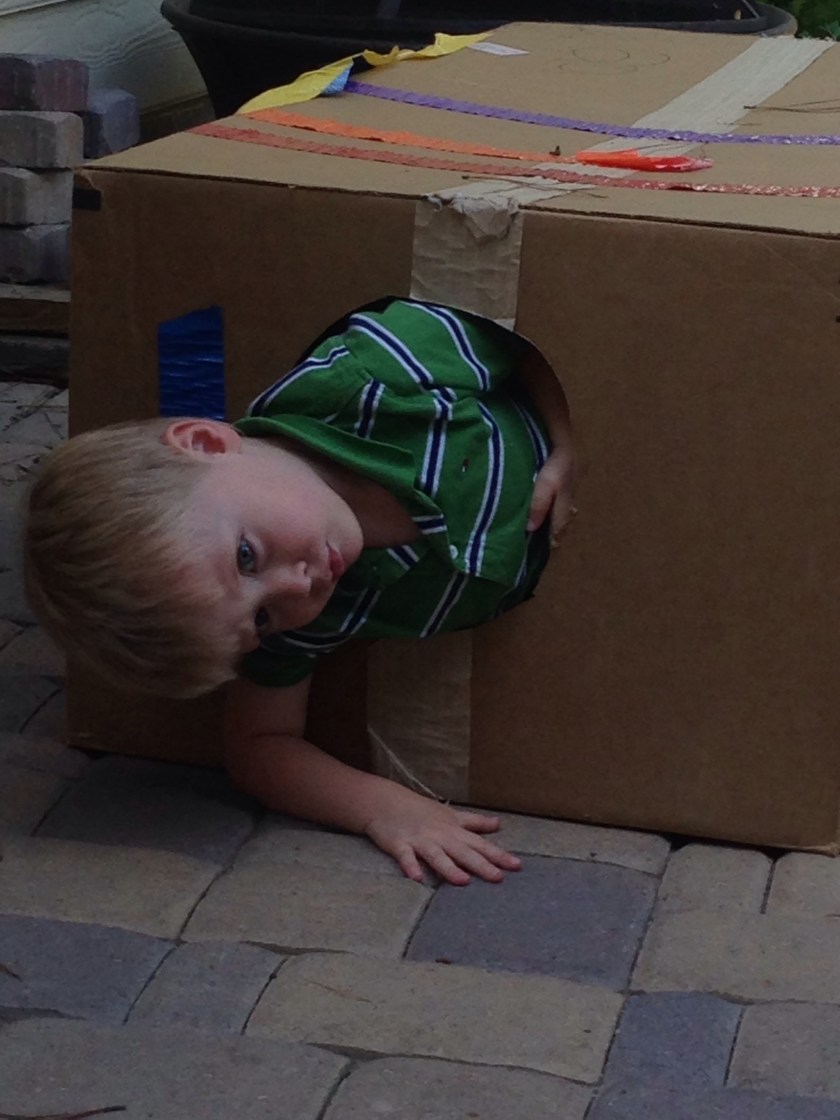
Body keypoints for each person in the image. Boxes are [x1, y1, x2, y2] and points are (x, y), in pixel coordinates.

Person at [24, 297, 576, 886]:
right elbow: (259, 745)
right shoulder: (311, 619)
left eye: (246, 556)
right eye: (260, 620)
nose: (295, 588)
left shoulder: (375, 374)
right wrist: (383, 808)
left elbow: (524, 340)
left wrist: (569, 444)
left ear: (207, 443)